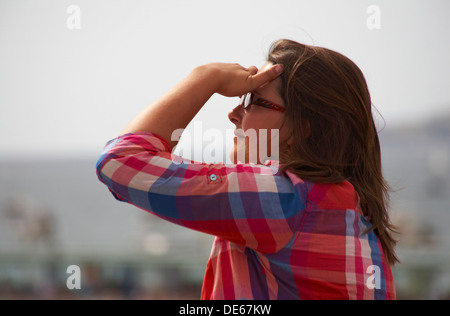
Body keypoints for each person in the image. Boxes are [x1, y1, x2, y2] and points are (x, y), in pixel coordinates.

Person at [96, 39, 397, 300]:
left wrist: (207, 77)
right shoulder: (351, 211)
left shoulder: (287, 200)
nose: (233, 113)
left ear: (304, 129)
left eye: (253, 99)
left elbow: (121, 161)